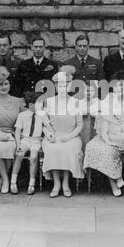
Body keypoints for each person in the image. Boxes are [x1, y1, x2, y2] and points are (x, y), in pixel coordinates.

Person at [84, 71, 124, 197]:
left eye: (122, 85)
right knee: (92, 146)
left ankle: (115, 180)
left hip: (123, 135)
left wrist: (119, 119)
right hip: (107, 134)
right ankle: (115, 180)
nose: (119, 88)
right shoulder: (109, 98)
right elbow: (94, 110)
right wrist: (106, 115)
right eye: (116, 85)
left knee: (109, 151)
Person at [41, 66, 85, 198]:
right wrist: (49, 134)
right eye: (59, 85)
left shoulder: (76, 102)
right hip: (54, 135)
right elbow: (44, 123)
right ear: (54, 86)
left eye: (65, 85)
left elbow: (79, 125)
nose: (62, 88)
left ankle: (66, 183)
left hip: (72, 136)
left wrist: (70, 136)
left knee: (68, 149)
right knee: (53, 149)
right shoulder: (48, 102)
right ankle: (56, 183)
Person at [12, 91, 44, 195]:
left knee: (34, 157)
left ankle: (32, 183)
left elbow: (47, 128)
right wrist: (18, 145)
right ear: (31, 105)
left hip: (36, 140)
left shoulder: (42, 115)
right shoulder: (22, 115)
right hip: (25, 139)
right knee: (20, 154)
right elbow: (17, 131)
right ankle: (13, 181)